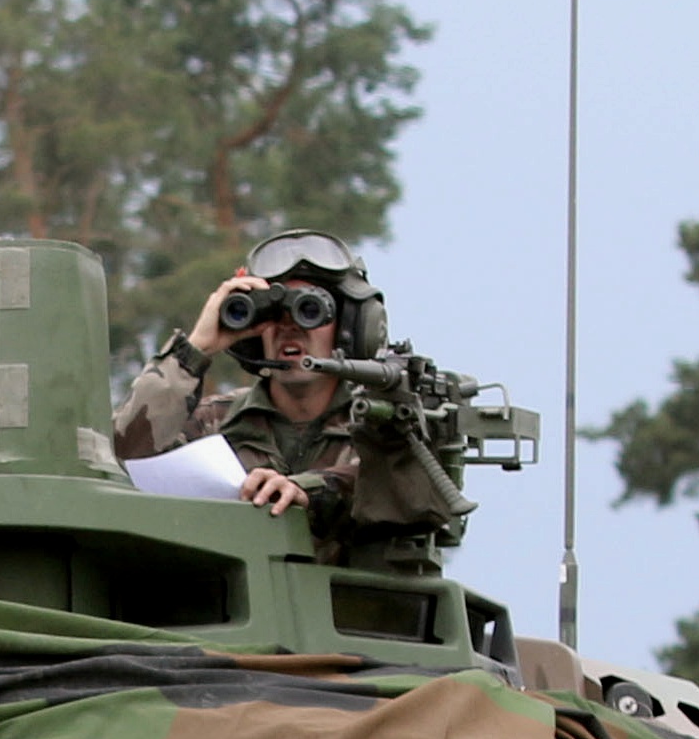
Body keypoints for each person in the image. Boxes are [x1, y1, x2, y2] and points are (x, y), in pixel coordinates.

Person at [113, 230, 466, 554]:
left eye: (310, 310)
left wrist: (306, 492)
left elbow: (404, 493)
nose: (290, 327)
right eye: (275, 313)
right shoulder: (214, 423)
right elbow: (120, 457)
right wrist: (195, 350)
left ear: (350, 326)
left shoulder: (384, 427)